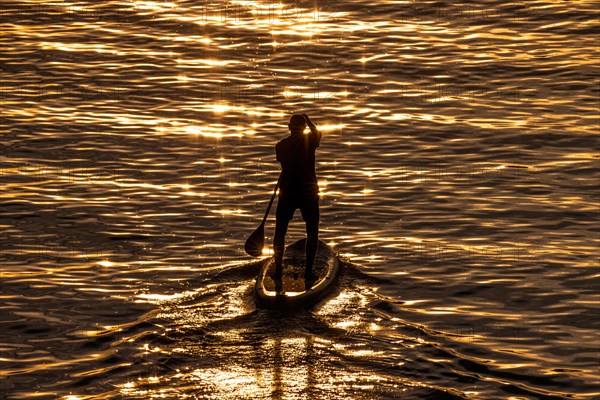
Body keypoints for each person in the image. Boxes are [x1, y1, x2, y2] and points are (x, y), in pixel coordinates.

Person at [272, 114, 322, 290]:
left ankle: (278, 269)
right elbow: (318, 132)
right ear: (304, 128)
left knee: (280, 231)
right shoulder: (310, 140)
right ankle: (308, 272)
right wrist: (309, 120)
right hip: (308, 191)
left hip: (288, 192)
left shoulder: (280, 146)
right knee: (312, 230)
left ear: (288, 127)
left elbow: (283, 162)